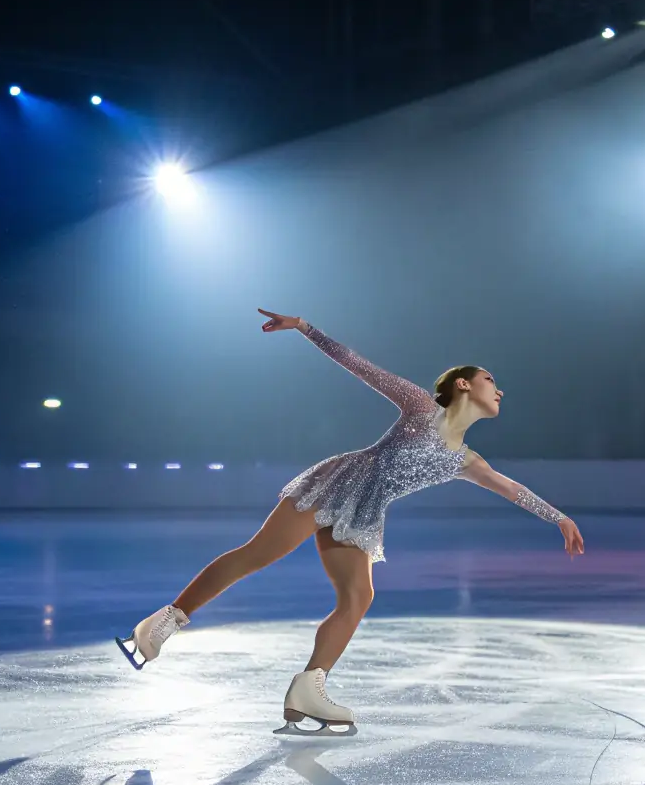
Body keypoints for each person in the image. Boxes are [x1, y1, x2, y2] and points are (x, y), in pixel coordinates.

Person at [117, 308, 584, 736]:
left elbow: (512, 488)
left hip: (363, 512)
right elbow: (358, 364)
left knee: (359, 596)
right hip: (338, 484)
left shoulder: (466, 460)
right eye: (489, 379)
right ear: (463, 385)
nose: (497, 388)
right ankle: (161, 623)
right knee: (257, 555)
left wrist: (559, 517)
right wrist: (304, 327)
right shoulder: (423, 408)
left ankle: (309, 686)